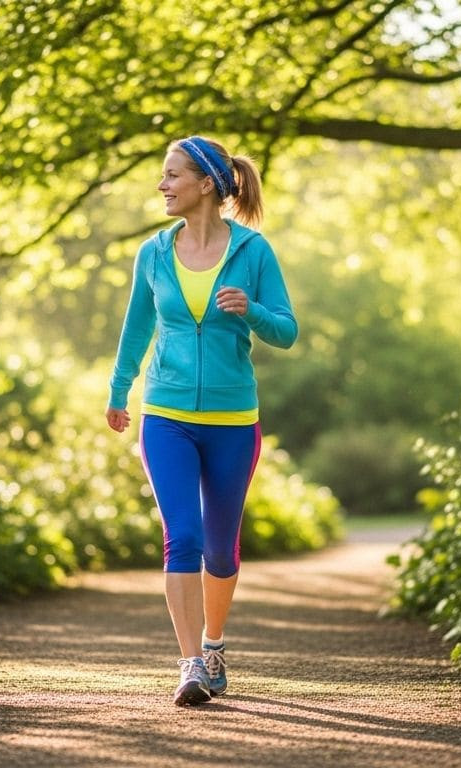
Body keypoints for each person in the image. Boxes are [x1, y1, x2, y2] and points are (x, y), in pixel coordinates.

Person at [105, 135, 297, 706]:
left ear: (207, 183)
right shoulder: (154, 253)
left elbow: (286, 331)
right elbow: (136, 327)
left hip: (234, 419)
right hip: (165, 415)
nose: (162, 186)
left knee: (220, 548)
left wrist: (253, 310)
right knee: (181, 536)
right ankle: (190, 663)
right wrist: (120, 390)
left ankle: (214, 644)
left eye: (172, 175)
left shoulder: (253, 251)